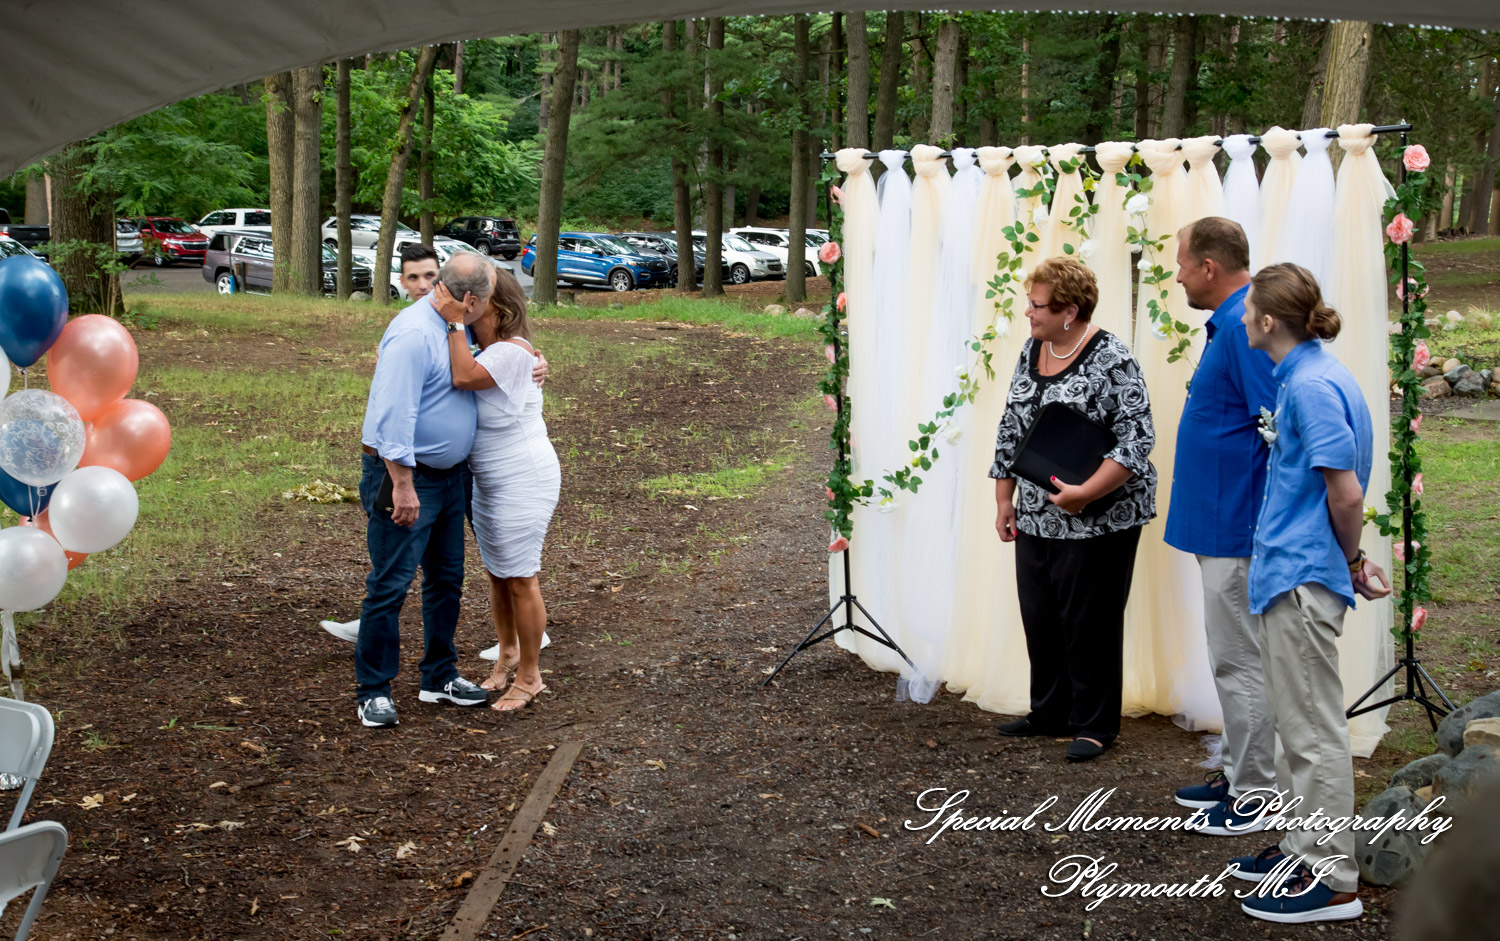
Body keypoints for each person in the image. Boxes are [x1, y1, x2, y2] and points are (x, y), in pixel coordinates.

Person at [1228, 263, 1390, 924]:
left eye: (1248, 309)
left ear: (1269, 321)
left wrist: (1351, 559)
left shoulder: (1314, 386)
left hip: (1301, 578)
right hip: (1292, 572)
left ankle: (1333, 879)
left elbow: (1345, 491)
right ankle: (1304, 844)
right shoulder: (1306, 374)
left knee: (1315, 730)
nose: (1241, 316)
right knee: (1298, 728)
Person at [322, 244, 550, 647]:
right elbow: (398, 408)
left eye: (433, 278)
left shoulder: (479, 341)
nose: (430, 288)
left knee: (485, 569)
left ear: (480, 304)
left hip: (494, 471)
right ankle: (382, 673)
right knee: (405, 574)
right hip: (428, 470)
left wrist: (520, 354)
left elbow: (467, 375)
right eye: (416, 278)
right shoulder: (419, 330)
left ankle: (515, 647)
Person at [989, 257, 1157, 763]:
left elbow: (1137, 440)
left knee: (1090, 619)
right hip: (1039, 510)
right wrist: (1003, 496)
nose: (1028, 313)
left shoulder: (1114, 359)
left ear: (1070, 311)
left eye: (1037, 305)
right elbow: (1012, 422)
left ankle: (1095, 724)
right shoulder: (1034, 348)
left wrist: (1086, 493)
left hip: (1101, 516)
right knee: (1040, 613)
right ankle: (1051, 712)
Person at [1162, 218, 1279, 833]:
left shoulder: (1241, 325)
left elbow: (1277, 423)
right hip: (1219, 516)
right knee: (1231, 654)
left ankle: (1256, 792)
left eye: (1182, 263)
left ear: (1209, 266)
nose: (1177, 273)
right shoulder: (1232, 321)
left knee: (1241, 660)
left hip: (1238, 520)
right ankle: (1238, 772)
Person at [352, 252, 497, 728]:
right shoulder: (415, 334)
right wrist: (403, 485)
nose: (489, 308)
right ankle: (373, 689)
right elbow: (393, 416)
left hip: (451, 477)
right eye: (487, 300)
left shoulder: (456, 327)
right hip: (408, 479)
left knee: (446, 580)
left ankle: (439, 676)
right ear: (469, 299)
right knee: (390, 585)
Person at [434, 270, 560, 711]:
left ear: (496, 306)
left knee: (522, 576)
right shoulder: (489, 349)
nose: (465, 305)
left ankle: (530, 676)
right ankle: (507, 654)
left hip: (523, 475)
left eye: (473, 300)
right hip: (489, 479)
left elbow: (464, 377)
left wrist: (451, 322)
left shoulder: (512, 351)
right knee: (497, 572)